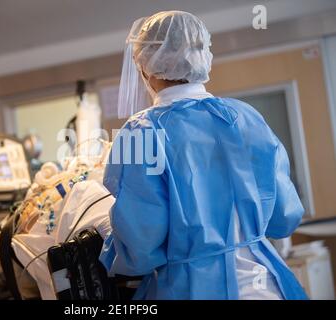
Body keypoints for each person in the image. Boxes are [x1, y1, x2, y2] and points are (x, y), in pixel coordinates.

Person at [99, 11, 308, 300]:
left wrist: (108, 243)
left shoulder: (141, 132)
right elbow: (284, 217)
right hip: (268, 287)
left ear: (145, 67)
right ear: (201, 54)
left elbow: (141, 249)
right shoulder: (246, 117)